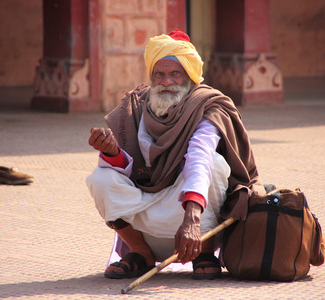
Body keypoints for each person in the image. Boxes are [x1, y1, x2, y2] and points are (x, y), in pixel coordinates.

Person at [86, 29, 265, 280]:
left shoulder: (206, 106)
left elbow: (199, 159)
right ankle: (140, 252)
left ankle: (203, 253)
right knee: (100, 177)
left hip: (194, 226)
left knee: (214, 164)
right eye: (159, 74)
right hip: (144, 224)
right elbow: (130, 168)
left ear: (190, 77)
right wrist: (112, 152)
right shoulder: (136, 106)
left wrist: (192, 219)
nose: (166, 82)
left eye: (175, 74)